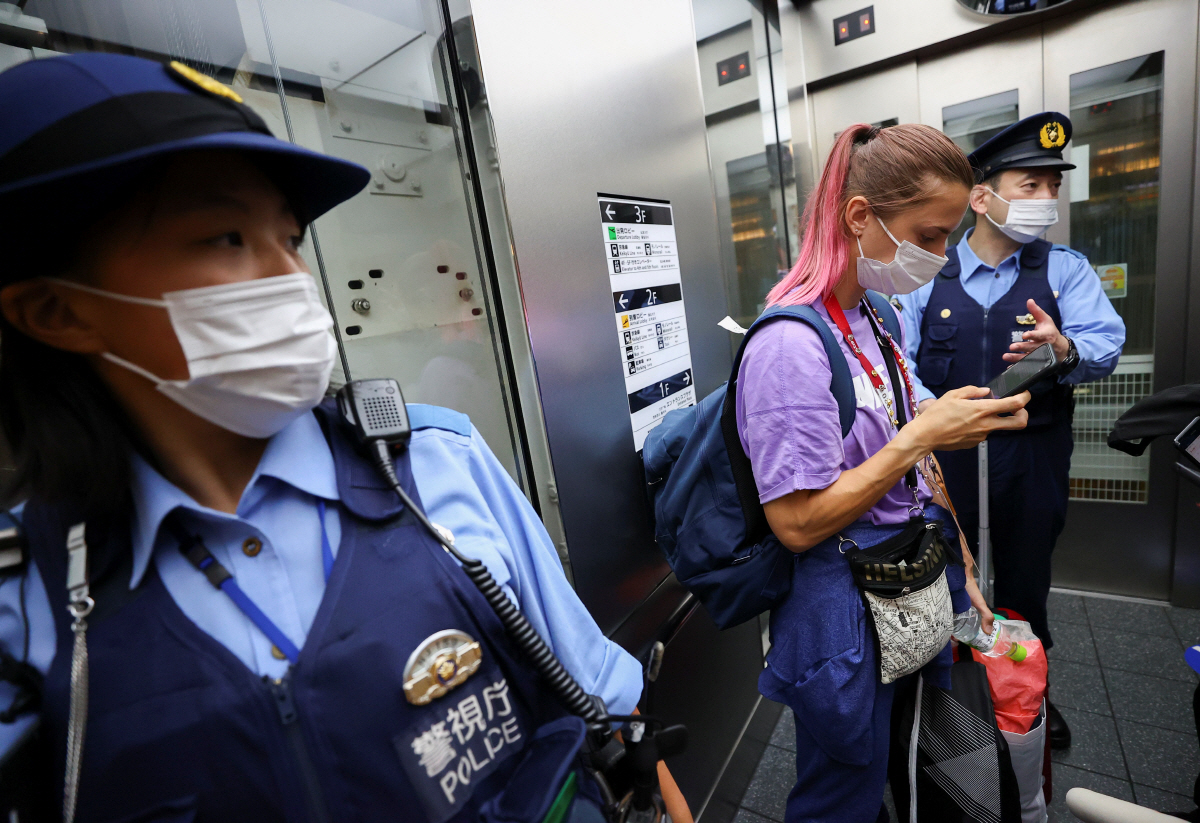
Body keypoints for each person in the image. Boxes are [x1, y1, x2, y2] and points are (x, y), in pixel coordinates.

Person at [0, 52, 689, 822]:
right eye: (225, 236)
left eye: (289, 238)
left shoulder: (430, 464)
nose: (292, 280)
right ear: (56, 311)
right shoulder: (28, 593)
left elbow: (617, 725)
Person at [737, 122, 1030, 823]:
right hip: (842, 605)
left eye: (950, 234)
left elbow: (919, 455)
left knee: (903, 759)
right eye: (928, 235)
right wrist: (916, 437)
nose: (942, 254)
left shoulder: (875, 317)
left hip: (909, 579)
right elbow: (797, 521)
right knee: (843, 789)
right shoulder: (789, 347)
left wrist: (962, 569)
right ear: (861, 217)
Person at [896, 112, 1126, 750]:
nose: (1045, 200)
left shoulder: (1065, 271)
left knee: (1025, 582)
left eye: (1053, 186)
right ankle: (951, 707)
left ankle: (1028, 700)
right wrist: (933, 416)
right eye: (1030, 185)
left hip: (1033, 458)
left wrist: (1065, 348)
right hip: (945, 461)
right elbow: (897, 363)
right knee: (942, 580)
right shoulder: (924, 279)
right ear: (981, 196)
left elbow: (1105, 342)